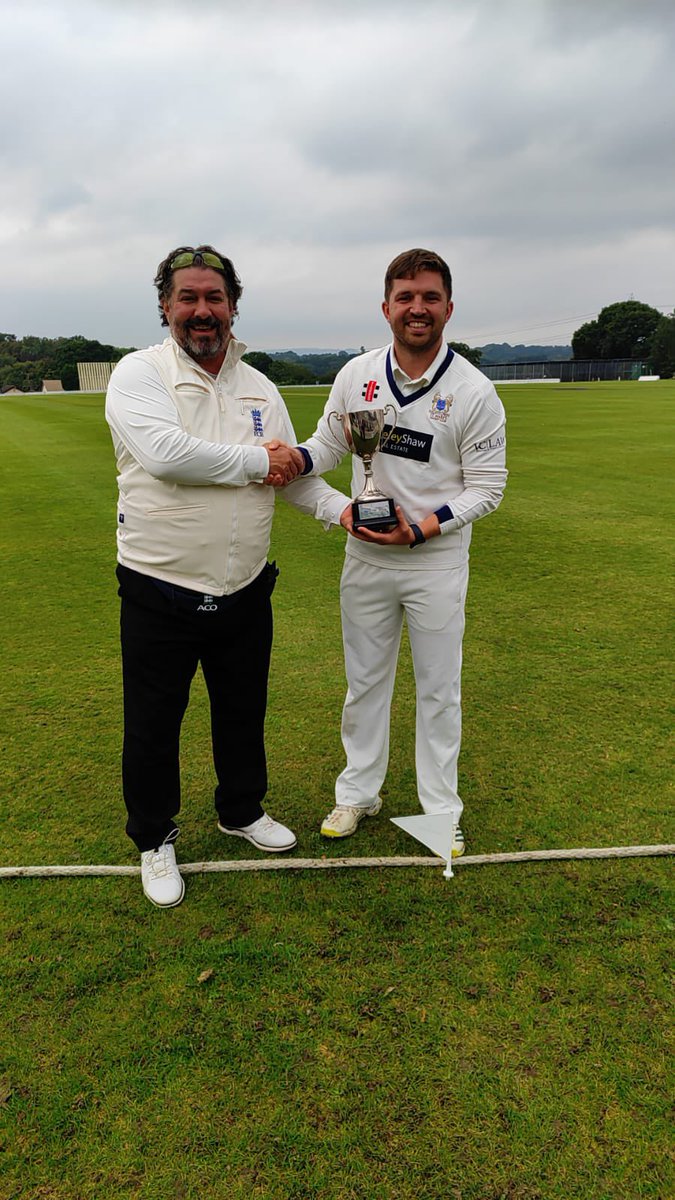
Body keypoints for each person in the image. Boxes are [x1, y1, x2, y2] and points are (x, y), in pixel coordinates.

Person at [105, 245, 348, 907]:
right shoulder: (138, 374)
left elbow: (291, 479)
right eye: (188, 298)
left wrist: (347, 511)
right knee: (153, 724)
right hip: (159, 587)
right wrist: (258, 459)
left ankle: (240, 811)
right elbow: (167, 455)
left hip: (244, 586)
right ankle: (154, 838)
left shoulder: (259, 386)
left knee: (242, 714)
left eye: (214, 298)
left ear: (232, 307)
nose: (202, 311)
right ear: (165, 307)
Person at [296, 248, 507, 853]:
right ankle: (358, 793)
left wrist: (424, 527)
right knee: (364, 683)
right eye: (406, 297)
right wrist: (295, 461)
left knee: (440, 690)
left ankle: (440, 811)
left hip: (436, 561)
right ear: (386, 306)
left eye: (431, 298)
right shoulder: (356, 375)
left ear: (448, 308)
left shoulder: (474, 389)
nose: (418, 308)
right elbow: (329, 447)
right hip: (366, 556)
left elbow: (487, 488)